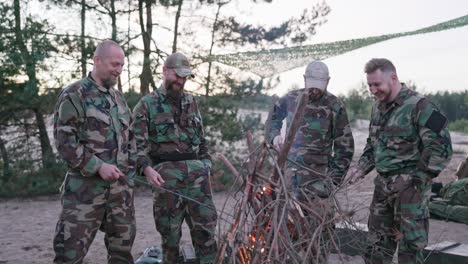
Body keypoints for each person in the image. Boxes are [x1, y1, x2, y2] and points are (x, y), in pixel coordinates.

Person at [348, 58, 453, 264]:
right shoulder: (377, 109)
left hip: (411, 193)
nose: (372, 90)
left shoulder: (420, 106)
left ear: (393, 78)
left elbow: (441, 147)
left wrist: (417, 181)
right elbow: (373, 145)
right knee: (376, 247)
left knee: (410, 251)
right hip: (383, 189)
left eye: (377, 84)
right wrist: (360, 169)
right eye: (369, 85)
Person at [52, 40, 147, 263]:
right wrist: (98, 166)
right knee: (69, 255)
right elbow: (65, 143)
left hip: (120, 195)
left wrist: (133, 173)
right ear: (97, 60)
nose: (119, 70)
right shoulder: (75, 94)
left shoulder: (119, 99)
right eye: (115, 64)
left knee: (122, 255)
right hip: (84, 193)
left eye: (122, 65)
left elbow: (130, 140)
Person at [132, 52, 217, 263]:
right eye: (177, 76)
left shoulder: (191, 102)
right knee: (170, 237)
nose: (181, 81)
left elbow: (202, 141)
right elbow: (134, 146)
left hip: (198, 181)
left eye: (185, 77)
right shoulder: (146, 105)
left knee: (206, 234)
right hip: (167, 181)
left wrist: (206, 165)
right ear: (165, 72)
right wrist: (147, 169)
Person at [268, 60, 354, 261]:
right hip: (288, 180)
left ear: (328, 81)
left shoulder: (335, 106)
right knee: (285, 233)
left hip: (318, 184)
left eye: (320, 83)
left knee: (319, 240)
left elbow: (345, 148)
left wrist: (331, 182)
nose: (314, 89)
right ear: (305, 79)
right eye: (311, 82)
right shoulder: (290, 99)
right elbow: (272, 120)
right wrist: (274, 137)